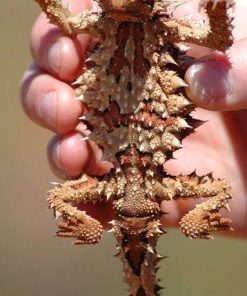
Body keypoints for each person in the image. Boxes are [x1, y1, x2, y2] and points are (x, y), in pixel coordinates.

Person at [21, 0, 247, 237]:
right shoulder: (102, 22)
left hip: (116, 182)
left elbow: (216, 41)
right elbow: (66, 20)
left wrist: (218, 12)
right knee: (221, 190)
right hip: (147, 182)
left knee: (59, 196)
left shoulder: (166, 26)